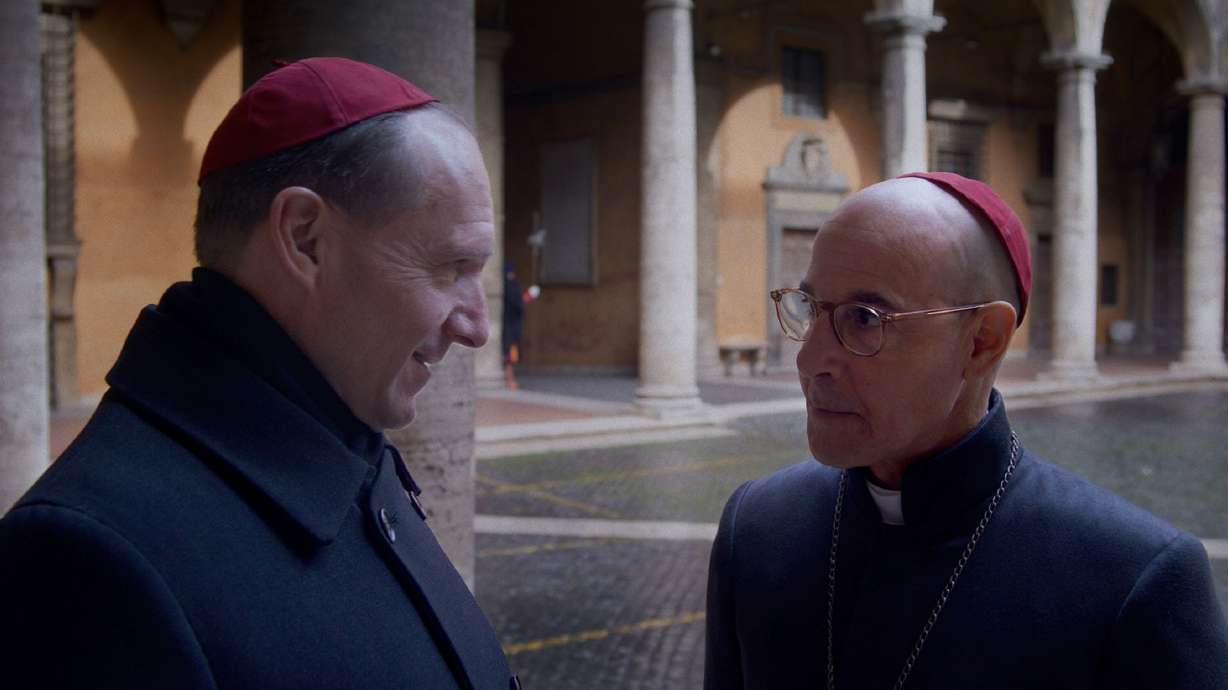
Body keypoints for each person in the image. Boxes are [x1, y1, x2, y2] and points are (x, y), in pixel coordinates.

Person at [0, 58, 520, 690]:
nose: (477, 327)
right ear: (305, 239)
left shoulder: (340, 432)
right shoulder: (84, 563)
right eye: (450, 267)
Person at [704, 172, 1228, 689]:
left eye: (864, 318)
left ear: (982, 341)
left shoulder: (1136, 580)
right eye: (811, 309)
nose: (811, 358)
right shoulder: (755, 527)